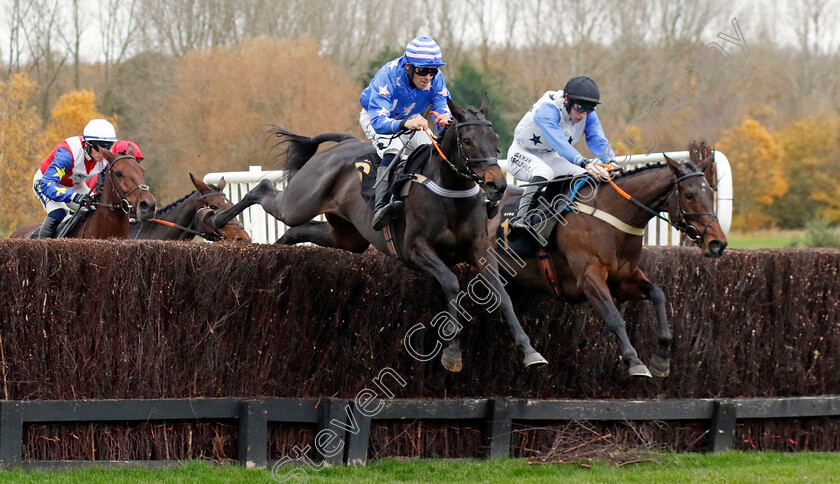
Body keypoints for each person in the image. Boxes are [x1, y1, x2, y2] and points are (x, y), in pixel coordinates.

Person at [360, 35, 453, 230]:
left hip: (411, 117)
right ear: (408, 67)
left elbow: (443, 108)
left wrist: (446, 121)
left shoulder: (436, 79)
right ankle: (381, 207)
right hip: (377, 117)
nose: (428, 77)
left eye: (433, 71)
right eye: (423, 71)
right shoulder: (388, 76)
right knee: (393, 149)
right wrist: (405, 123)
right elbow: (378, 122)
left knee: (433, 150)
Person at [507, 76, 617, 230]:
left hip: (549, 155)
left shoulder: (587, 114)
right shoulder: (548, 109)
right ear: (566, 100)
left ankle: (561, 219)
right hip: (522, 152)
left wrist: (612, 162)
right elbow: (560, 143)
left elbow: (597, 139)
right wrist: (586, 163)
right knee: (544, 172)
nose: (584, 115)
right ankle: (520, 219)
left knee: (582, 174)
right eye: (580, 108)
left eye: (589, 109)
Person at [31, 118, 117, 238]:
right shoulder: (68, 153)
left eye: (108, 147)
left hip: (76, 184)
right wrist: (73, 196)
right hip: (46, 182)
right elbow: (48, 184)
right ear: (87, 144)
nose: (104, 153)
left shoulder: (105, 160)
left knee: (95, 208)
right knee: (59, 212)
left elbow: (104, 186)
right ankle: (41, 251)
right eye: (100, 148)